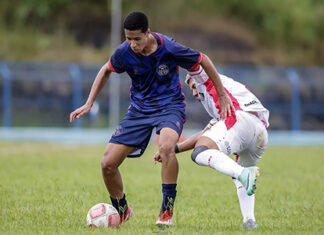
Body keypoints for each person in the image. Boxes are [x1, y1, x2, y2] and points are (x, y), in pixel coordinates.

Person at [69, 11, 234, 227]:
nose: (133, 44)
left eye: (137, 39)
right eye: (128, 39)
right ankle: (122, 211)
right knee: (107, 164)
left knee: (166, 148)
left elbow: (204, 60)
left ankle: (166, 212)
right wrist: (89, 102)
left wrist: (222, 94)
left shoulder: (170, 48)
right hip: (139, 111)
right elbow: (105, 70)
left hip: (170, 107)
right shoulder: (124, 52)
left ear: (148, 33)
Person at [154, 66, 269, 229]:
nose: (194, 93)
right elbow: (205, 133)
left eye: (194, 86)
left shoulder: (207, 80)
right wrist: (174, 149)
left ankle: (244, 173)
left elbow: (198, 62)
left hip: (241, 120)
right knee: (241, 177)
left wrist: (170, 53)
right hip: (260, 132)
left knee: (201, 153)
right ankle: (249, 221)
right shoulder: (222, 101)